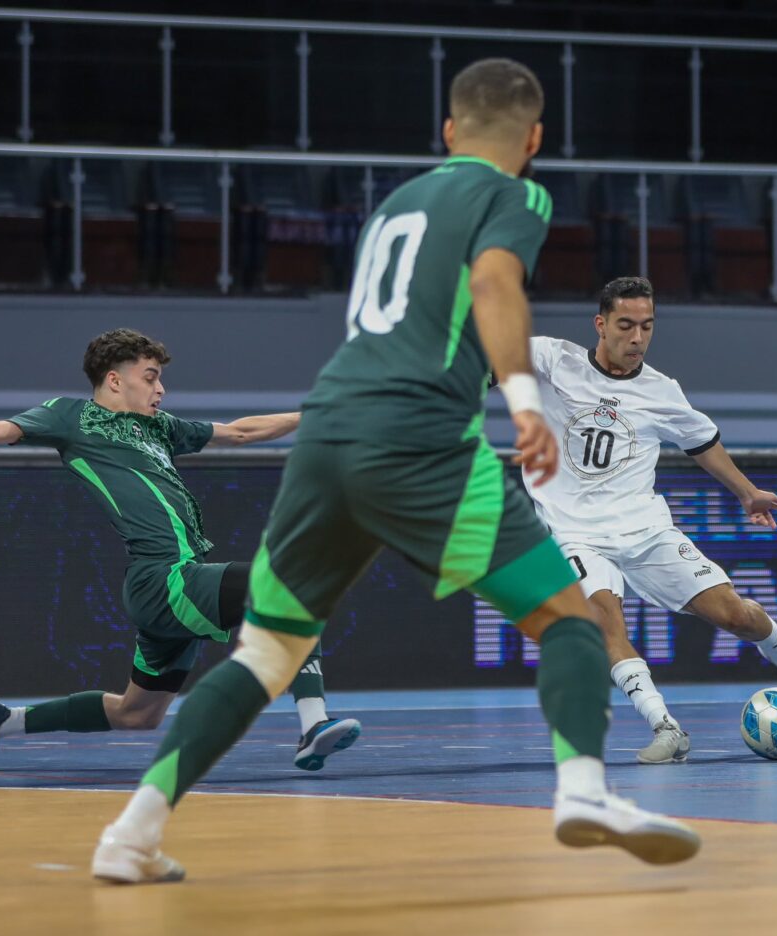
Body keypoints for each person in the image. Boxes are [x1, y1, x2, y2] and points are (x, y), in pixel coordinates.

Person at [90, 58, 701, 885]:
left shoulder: (394, 205)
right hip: (419, 441)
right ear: (533, 139)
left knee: (266, 657)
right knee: (568, 622)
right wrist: (524, 402)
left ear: (448, 132)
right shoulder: (517, 195)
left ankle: (131, 833)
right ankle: (584, 791)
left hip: (327, 438)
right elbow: (493, 282)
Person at [0, 328, 360, 773]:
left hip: (169, 584)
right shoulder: (70, 416)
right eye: (151, 376)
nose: (161, 389)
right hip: (163, 578)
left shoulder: (162, 428)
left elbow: (245, 431)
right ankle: (313, 725)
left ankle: (1, 721)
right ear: (115, 379)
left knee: (138, 714)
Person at [524, 275, 777, 765]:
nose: (637, 338)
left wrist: (748, 493)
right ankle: (665, 727)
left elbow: (703, 443)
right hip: (574, 534)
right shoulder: (551, 359)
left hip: (646, 531)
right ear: (600, 323)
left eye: (646, 327)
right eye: (626, 325)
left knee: (733, 614)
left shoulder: (661, 390)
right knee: (603, 622)